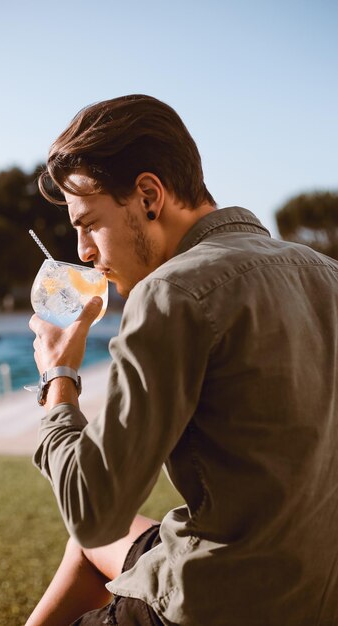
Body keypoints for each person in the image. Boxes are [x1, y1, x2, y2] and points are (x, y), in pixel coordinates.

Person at [27, 95, 338, 626]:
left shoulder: (173, 292)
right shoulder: (326, 272)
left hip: (221, 606)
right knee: (95, 556)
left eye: (89, 223)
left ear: (149, 195)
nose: (82, 250)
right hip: (317, 594)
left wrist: (59, 376)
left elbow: (93, 512)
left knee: (91, 541)